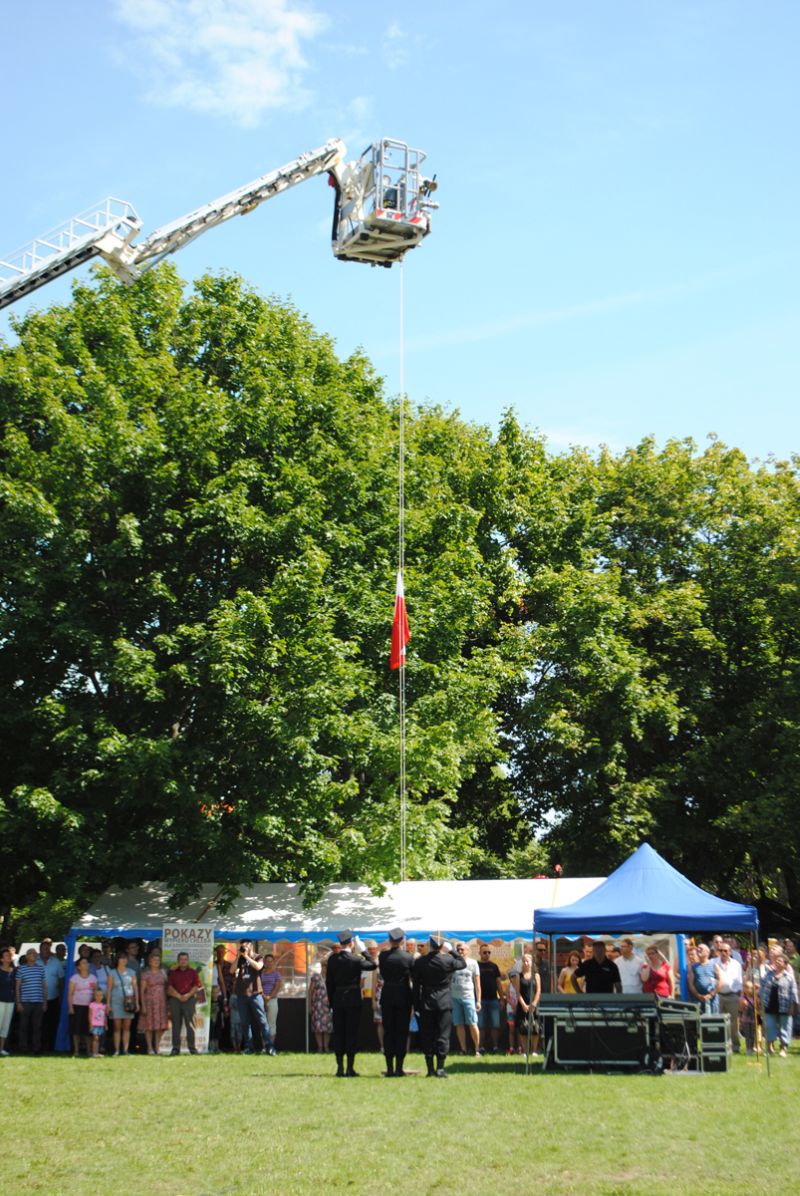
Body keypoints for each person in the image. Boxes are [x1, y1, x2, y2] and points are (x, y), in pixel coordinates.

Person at [412, 935, 466, 1077]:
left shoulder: (420, 962)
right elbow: (462, 963)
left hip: (426, 1002)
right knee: (443, 1035)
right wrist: (452, 951)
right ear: (442, 946)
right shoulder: (448, 960)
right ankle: (440, 1068)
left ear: (430, 946)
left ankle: (430, 1069)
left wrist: (416, 1005)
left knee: (427, 1035)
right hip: (444, 1002)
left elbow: (416, 986)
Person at [326, 931, 377, 1077]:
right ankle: (350, 1068)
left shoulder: (332, 960)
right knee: (351, 1033)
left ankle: (340, 1068)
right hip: (353, 999)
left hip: (337, 999)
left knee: (339, 1033)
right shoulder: (355, 959)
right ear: (351, 943)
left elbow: (329, 983)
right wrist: (364, 950)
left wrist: (331, 1002)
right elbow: (373, 964)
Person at [377, 927, 414, 1077]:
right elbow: (412, 977)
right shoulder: (408, 957)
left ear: (390, 940)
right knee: (401, 1032)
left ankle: (390, 1067)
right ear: (402, 941)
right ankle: (399, 1067)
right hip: (403, 995)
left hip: (387, 995)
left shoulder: (383, 956)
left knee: (389, 1032)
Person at [760, 951, 798, 1057]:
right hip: (769, 1005)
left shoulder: (789, 977)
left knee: (785, 1027)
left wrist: (793, 1006)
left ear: (785, 964)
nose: (777, 962)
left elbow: (794, 992)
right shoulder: (768, 974)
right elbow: (762, 988)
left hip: (784, 1006)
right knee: (769, 1026)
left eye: (780, 961)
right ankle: (769, 1048)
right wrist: (760, 1002)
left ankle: (783, 1048)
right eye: (776, 960)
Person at [167, 951, 202, 1055]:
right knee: (176, 1025)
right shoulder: (173, 973)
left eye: (185, 959)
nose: (183, 961)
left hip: (189, 1000)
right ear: (178, 961)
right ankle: (175, 1048)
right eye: (181, 959)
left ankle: (192, 1048)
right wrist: (178, 996)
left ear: (188, 961)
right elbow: (169, 987)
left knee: (191, 1024)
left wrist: (187, 995)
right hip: (175, 1000)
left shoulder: (193, 972)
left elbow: (196, 986)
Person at [15, 947, 47, 1054]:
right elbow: (17, 986)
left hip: (38, 1002)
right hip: (25, 1002)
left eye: (34, 953)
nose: (33, 955)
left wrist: (45, 1002)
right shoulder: (21, 969)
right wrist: (18, 1002)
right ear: (27, 956)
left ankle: (36, 1048)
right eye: (31, 953)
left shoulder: (40, 968)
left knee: (37, 1027)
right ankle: (23, 1047)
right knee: (23, 1026)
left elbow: (43, 986)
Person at [450, 941, 480, 1057]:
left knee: (473, 1023)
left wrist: (478, 1000)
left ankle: (477, 1049)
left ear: (467, 951)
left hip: (469, 997)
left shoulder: (473, 963)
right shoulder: (452, 963)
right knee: (459, 1024)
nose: (460, 951)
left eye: (462, 949)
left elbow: (477, 984)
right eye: (458, 949)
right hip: (455, 997)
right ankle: (463, 1049)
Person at [107, 952, 139, 1056]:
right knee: (117, 1027)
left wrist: (137, 1002)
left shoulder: (132, 972)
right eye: (121, 958)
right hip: (116, 1001)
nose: (124, 960)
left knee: (127, 1027)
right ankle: (116, 1050)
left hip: (129, 1002)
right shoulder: (112, 973)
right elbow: (109, 989)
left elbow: (135, 988)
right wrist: (108, 1004)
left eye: (125, 958)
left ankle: (125, 1049)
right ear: (118, 960)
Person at [139, 949, 169, 1055]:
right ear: (150, 961)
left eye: (158, 960)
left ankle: (157, 1047)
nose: (156, 962)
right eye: (154, 960)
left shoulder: (163, 973)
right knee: (149, 1026)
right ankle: (150, 1047)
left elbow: (166, 987)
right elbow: (142, 991)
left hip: (161, 1001)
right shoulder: (145, 974)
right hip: (149, 1001)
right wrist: (142, 1005)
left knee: (159, 1026)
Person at [715, 941, 743, 1052]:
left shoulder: (736, 964)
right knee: (719, 1022)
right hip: (718, 996)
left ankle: (736, 1046)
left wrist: (741, 997)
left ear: (730, 952)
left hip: (732, 996)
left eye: (725, 950)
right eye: (720, 950)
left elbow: (740, 982)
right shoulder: (714, 963)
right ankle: (721, 1045)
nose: (723, 953)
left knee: (733, 1023)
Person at [38, 938, 65, 1051]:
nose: (46, 950)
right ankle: (39, 1046)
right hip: (38, 998)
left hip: (54, 997)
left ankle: (51, 1045)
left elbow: (61, 980)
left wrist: (61, 996)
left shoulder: (56, 962)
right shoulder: (35, 961)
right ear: (40, 950)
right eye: (44, 949)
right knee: (39, 1023)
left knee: (52, 1022)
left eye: (48, 948)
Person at [477, 943, 503, 1053]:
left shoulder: (494, 966)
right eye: (484, 952)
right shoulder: (476, 965)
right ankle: (481, 1047)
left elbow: (499, 983)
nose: (487, 954)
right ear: (479, 953)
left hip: (493, 1000)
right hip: (480, 1000)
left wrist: (502, 999)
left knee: (495, 1025)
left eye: (489, 952)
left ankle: (495, 1047)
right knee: (481, 1025)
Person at [513, 952, 541, 1055]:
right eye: (524, 961)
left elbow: (538, 991)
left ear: (531, 962)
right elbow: (517, 992)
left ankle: (534, 1050)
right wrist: (523, 1005)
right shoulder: (518, 976)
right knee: (523, 1028)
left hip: (534, 1005)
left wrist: (534, 1004)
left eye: (527, 961)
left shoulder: (536, 975)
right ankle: (525, 1050)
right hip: (522, 1005)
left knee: (535, 1028)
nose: (525, 963)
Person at [67, 955, 95, 1057]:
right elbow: (70, 993)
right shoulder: (74, 978)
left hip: (89, 1008)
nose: (86, 965)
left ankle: (89, 1050)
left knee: (88, 1030)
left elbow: (96, 992)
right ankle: (76, 1050)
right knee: (76, 1029)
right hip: (77, 1006)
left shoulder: (93, 978)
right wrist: (70, 1007)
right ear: (78, 967)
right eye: (83, 963)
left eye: (87, 963)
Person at [309, 956, 334, 1053]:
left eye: (327, 966)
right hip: (317, 1005)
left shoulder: (332, 978)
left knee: (328, 1027)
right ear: (321, 966)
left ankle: (326, 1047)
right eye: (324, 966)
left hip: (328, 1006)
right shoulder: (315, 977)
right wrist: (309, 1006)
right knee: (318, 1027)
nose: (326, 968)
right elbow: (310, 992)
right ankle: (320, 1047)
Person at [688, 943, 721, 1012]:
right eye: (698, 949)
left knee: (714, 1021)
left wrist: (711, 994)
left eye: (701, 949)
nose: (698, 950)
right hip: (698, 1000)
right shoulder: (693, 967)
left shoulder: (714, 965)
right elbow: (690, 984)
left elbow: (721, 981)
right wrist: (698, 996)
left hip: (713, 1000)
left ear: (707, 952)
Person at [261, 952, 282, 1049]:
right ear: (264, 962)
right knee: (263, 1023)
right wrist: (263, 998)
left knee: (271, 1023)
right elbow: (258, 986)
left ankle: (271, 1046)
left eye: (271, 961)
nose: (269, 963)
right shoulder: (260, 973)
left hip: (272, 1000)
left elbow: (277, 987)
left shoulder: (276, 974)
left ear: (273, 962)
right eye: (267, 961)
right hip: (261, 1000)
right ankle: (264, 1047)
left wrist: (269, 997)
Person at [0, 946, 16, 1056]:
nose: (9, 957)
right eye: (6, 955)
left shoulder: (15, 970)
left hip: (10, 1001)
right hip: (0, 1001)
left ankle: (1, 1049)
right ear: (1, 959)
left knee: (5, 1026)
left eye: (9, 955)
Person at [89, 989, 108, 1057]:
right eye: (97, 995)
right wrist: (90, 1024)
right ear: (94, 996)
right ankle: (94, 1052)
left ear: (103, 997)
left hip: (101, 1024)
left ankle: (96, 1053)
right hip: (94, 1024)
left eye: (100, 995)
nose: (99, 997)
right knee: (95, 1038)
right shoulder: (92, 1004)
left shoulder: (104, 1005)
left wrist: (106, 1024)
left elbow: (105, 1016)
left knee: (99, 1039)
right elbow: (90, 1014)